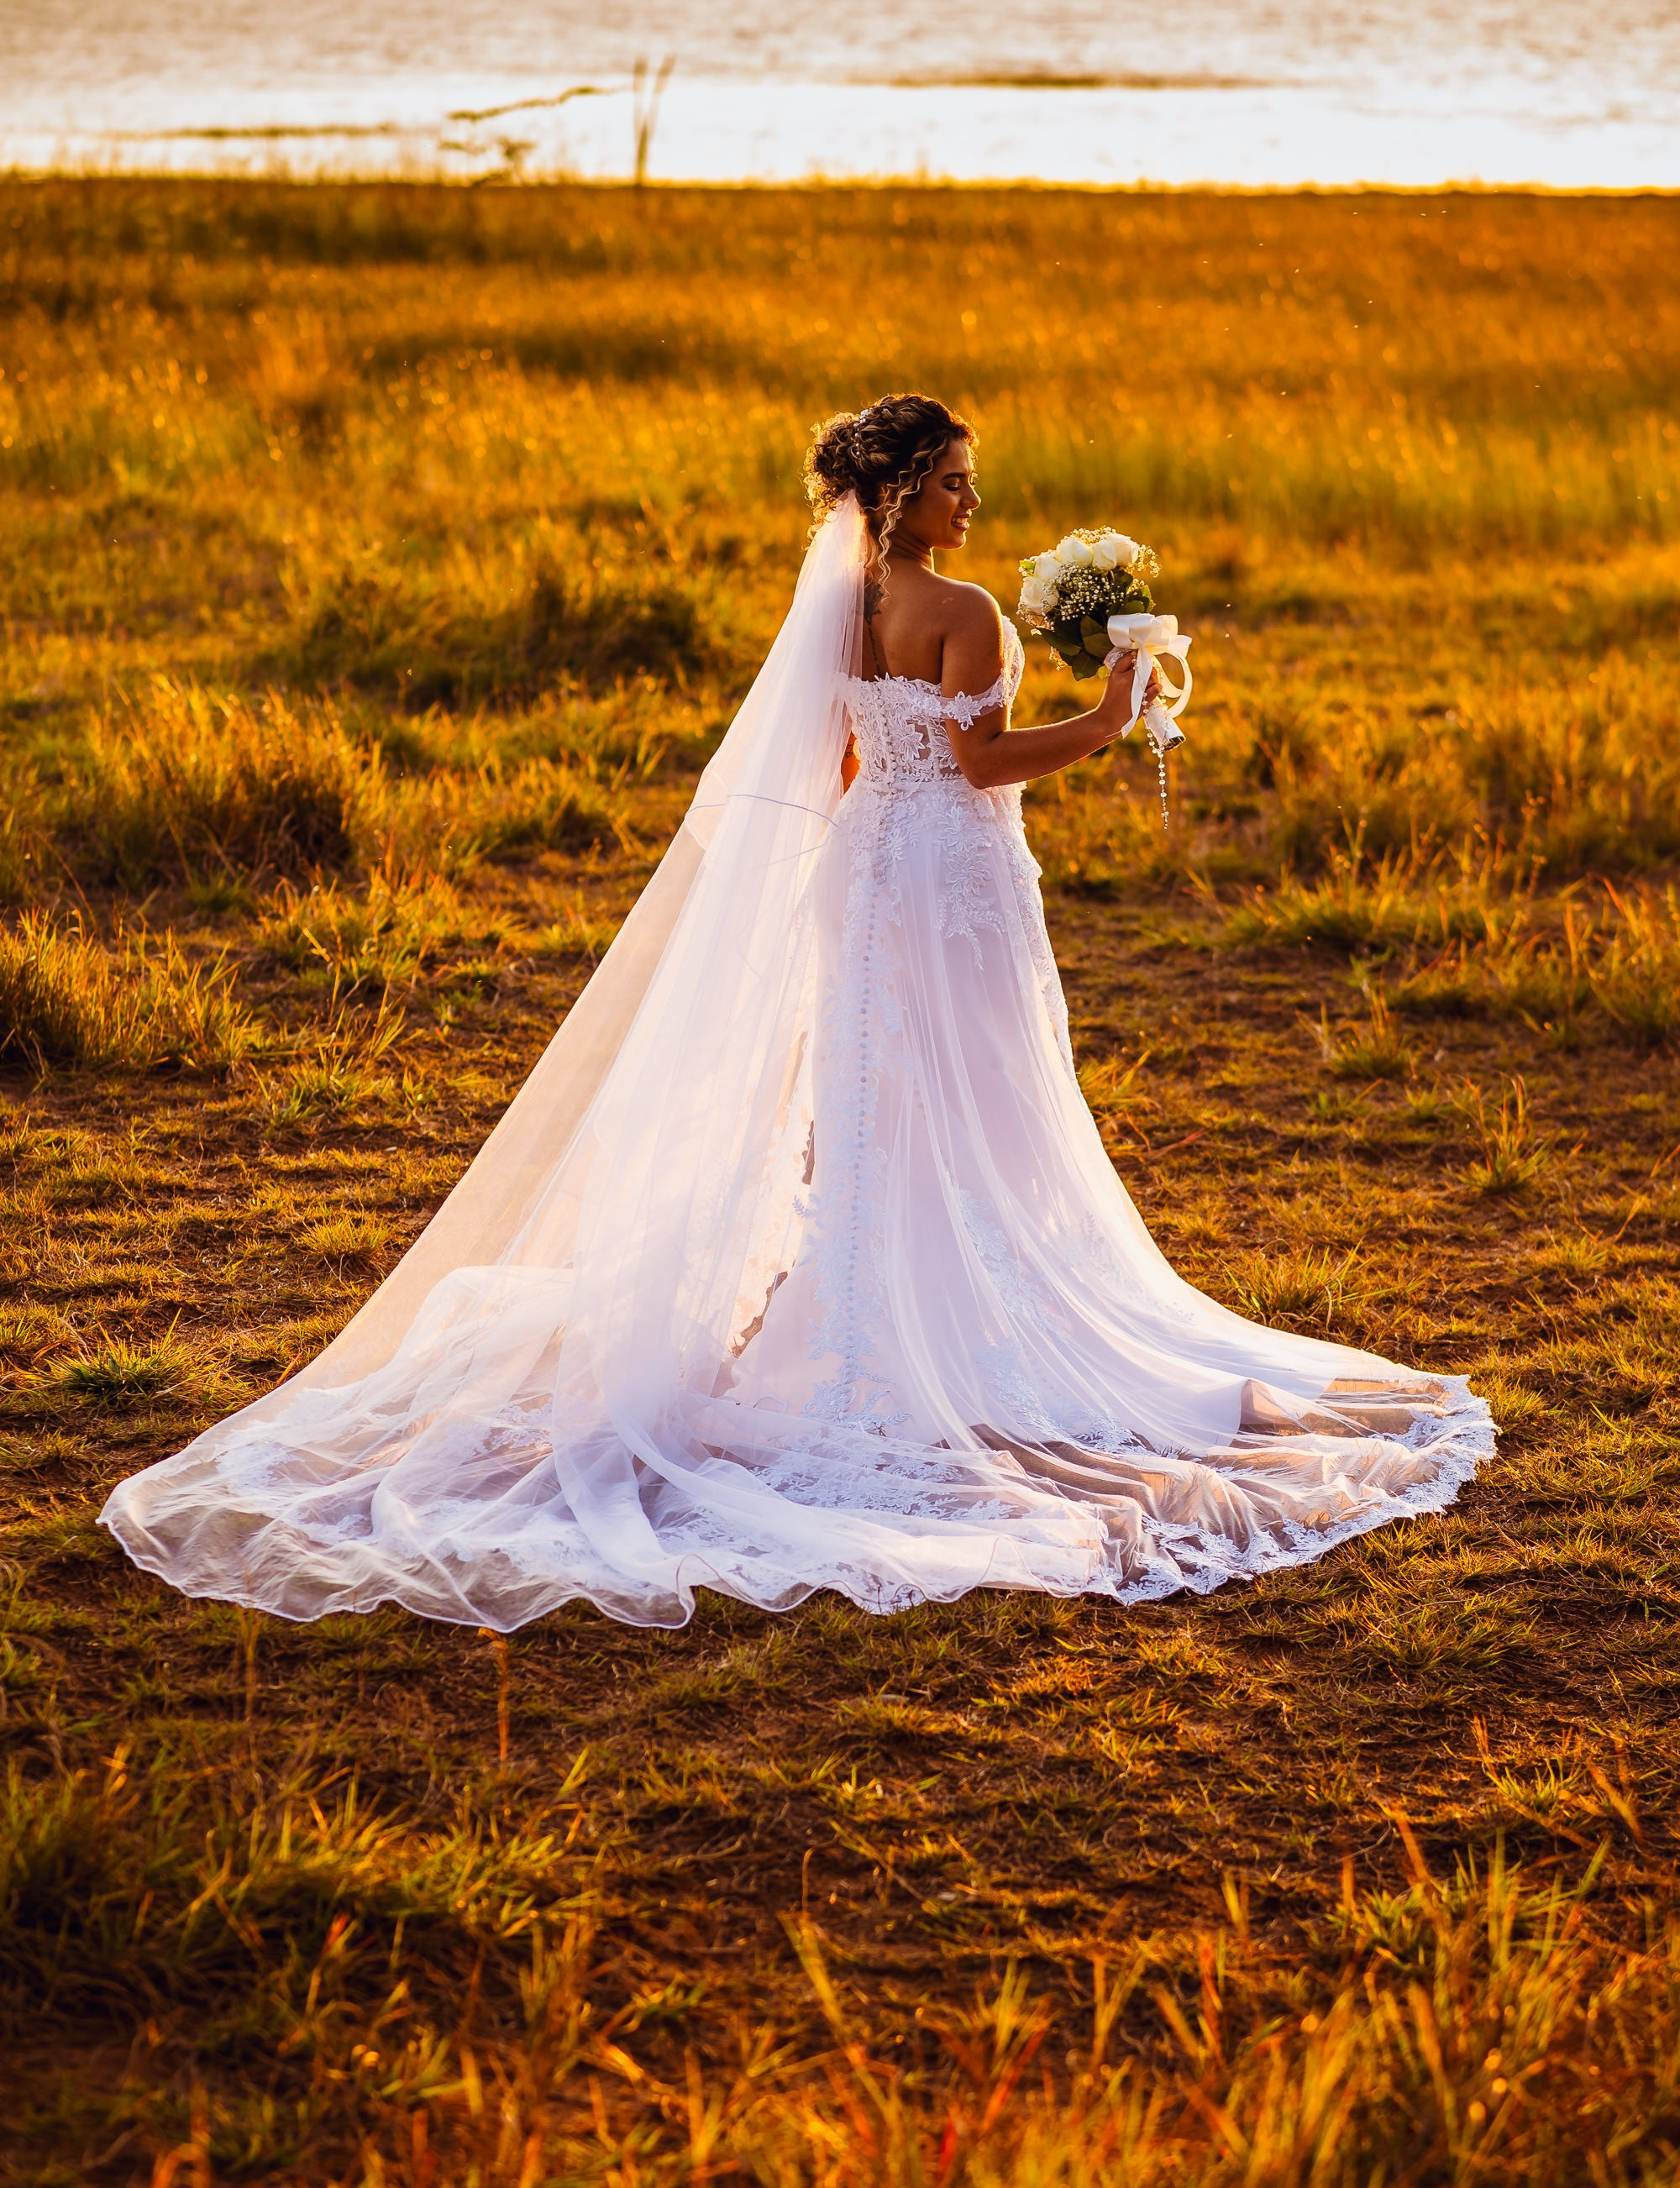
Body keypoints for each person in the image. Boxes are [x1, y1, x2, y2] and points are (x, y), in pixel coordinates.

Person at [102, 394, 1491, 1631]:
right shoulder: (966, 613)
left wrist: (865, 843)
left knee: (873, 1097)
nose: (971, 501)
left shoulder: (840, 602)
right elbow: (981, 760)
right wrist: (1115, 716)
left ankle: (865, 1307)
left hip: (862, 870)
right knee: (985, 1096)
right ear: (901, 492)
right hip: (949, 873)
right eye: (954, 480)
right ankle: (965, 1324)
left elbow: (841, 755)